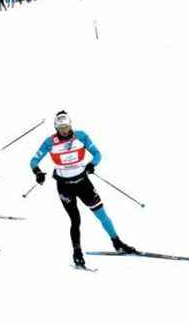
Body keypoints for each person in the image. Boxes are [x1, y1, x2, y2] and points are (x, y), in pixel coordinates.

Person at [30, 111, 137, 268]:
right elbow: (33, 161)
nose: (64, 131)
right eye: (60, 128)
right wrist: (38, 172)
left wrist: (92, 164)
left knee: (101, 214)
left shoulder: (81, 136)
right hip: (64, 186)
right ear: (56, 127)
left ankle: (117, 242)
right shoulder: (49, 142)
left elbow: (97, 154)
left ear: (70, 125)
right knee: (75, 219)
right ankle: (77, 253)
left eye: (66, 127)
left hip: (83, 183)